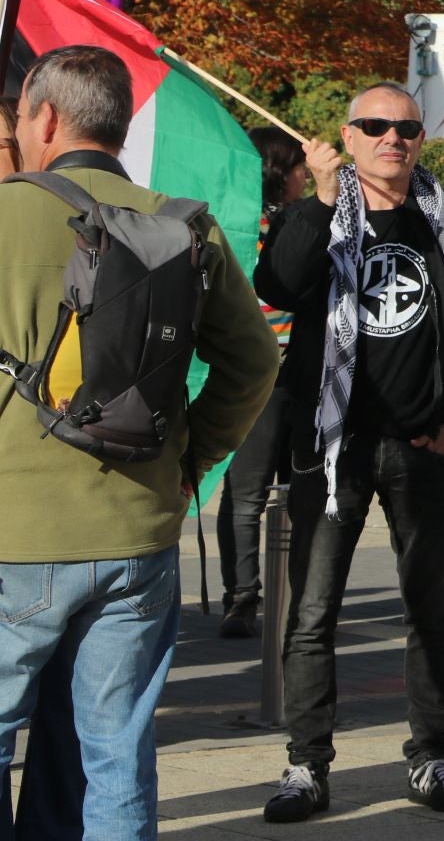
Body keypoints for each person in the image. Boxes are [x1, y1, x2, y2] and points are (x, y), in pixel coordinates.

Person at [0, 46, 280, 838]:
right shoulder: (180, 223)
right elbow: (255, 359)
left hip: (12, 533)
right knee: (114, 753)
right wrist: (190, 462)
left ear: (46, 119)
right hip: (138, 529)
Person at [253, 82, 444, 823]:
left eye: (406, 129)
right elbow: (279, 283)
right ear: (349, 136)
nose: (392, 139)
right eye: (375, 126)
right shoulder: (319, 215)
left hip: (422, 446)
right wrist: (324, 203)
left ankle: (431, 756)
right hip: (333, 447)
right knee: (313, 612)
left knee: (432, 609)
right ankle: (307, 767)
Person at [216, 126, 310, 639]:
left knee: (258, 493)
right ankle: (249, 597)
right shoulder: (251, 228)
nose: (303, 175)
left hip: (282, 375)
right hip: (267, 376)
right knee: (256, 492)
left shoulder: (292, 223)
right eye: (298, 166)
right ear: (279, 172)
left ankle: (251, 597)